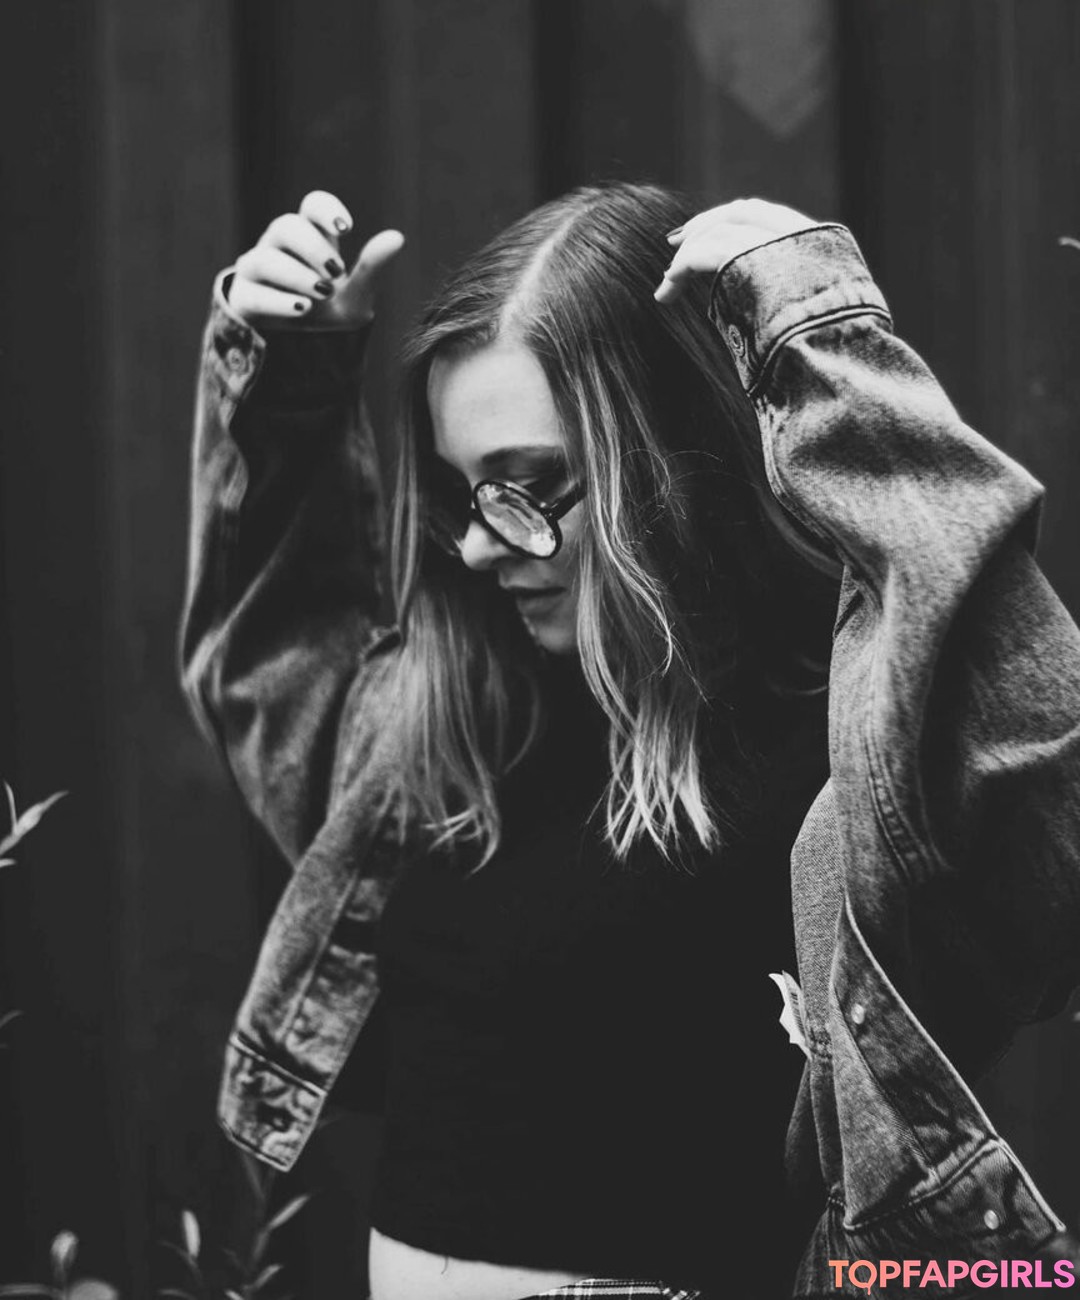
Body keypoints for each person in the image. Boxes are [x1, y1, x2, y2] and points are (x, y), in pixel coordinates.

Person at [181, 184, 1080, 1300]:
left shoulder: (834, 759)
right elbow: (274, 658)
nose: (479, 548)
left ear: (669, 458)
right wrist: (290, 379)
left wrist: (818, 332)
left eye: (528, 487)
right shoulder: (458, 737)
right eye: (465, 493)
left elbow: (1041, 779)